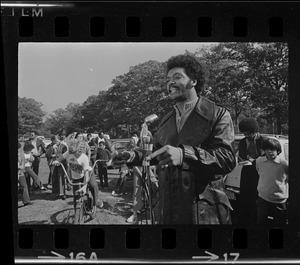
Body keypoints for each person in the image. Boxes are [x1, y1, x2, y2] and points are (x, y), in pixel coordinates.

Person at [113, 54, 236, 224]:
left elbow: (227, 158)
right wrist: (131, 156)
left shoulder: (218, 113)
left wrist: (184, 155)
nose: (170, 82)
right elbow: (155, 152)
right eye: (168, 79)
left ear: (193, 81)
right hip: (169, 208)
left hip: (204, 211)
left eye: (177, 77)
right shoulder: (167, 119)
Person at [53, 139, 103, 208]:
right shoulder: (69, 153)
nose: (75, 154)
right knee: (76, 195)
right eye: (73, 153)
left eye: (76, 152)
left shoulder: (84, 157)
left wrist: (85, 186)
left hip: (88, 173)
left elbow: (86, 173)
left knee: (93, 185)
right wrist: (57, 161)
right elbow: (62, 157)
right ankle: (77, 211)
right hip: (76, 176)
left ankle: (96, 200)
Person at [236, 118, 268, 225]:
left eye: (248, 134)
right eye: (244, 134)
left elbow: (267, 158)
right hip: (246, 172)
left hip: (260, 173)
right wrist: (244, 161)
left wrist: (253, 161)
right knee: (244, 198)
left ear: (255, 131)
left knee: (256, 200)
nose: (246, 136)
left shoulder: (264, 141)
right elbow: (241, 156)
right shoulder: (242, 142)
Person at [255, 138, 288, 225]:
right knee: (261, 223)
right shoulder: (259, 161)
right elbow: (259, 173)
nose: (270, 152)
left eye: (273, 149)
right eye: (267, 149)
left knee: (280, 223)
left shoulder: (284, 164)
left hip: (279, 201)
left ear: (278, 151)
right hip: (262, 199)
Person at [18, 142, 32, 206]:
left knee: (24, 186)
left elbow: (23, 165)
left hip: (20, 173)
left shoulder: (21, 154)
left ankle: (26, 201)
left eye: (18, 149)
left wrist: (20, 167)